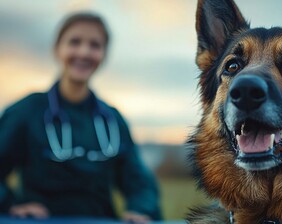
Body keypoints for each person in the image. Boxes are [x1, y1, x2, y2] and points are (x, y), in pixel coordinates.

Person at [0, 12, 162, 222]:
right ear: (57, 49)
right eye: (74, 42)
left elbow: (140, 183)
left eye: (95, 45)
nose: (84, 52)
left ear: (103, 54)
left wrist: (141, 209)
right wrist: (11, 204)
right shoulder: (27, 111)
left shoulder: (112, 120)